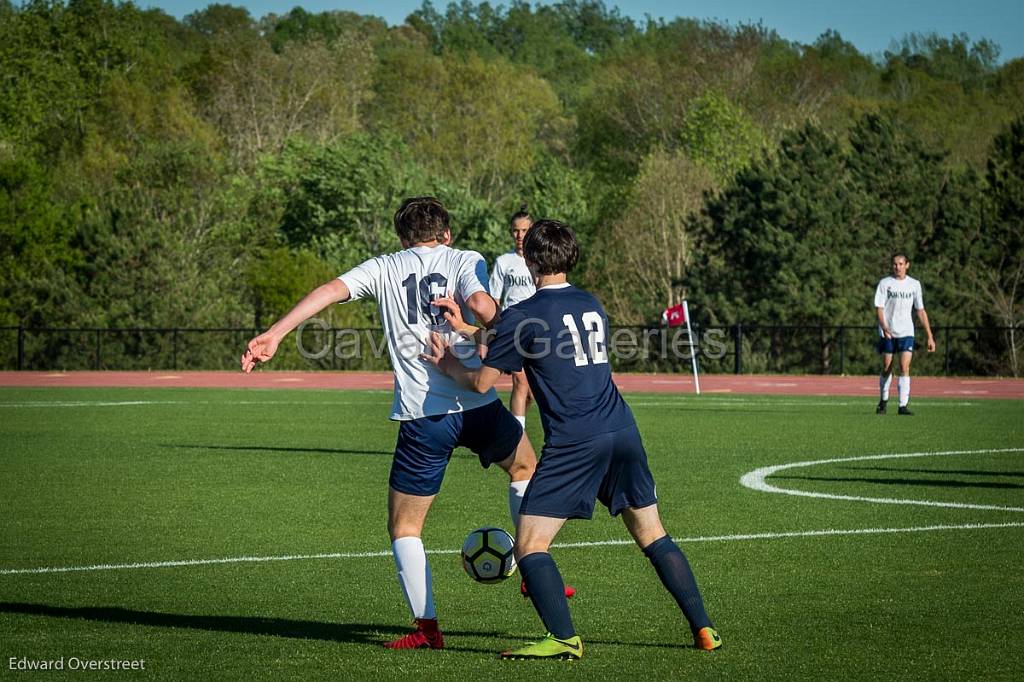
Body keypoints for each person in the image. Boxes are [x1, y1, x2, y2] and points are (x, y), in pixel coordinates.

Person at [240, 197, 537, 650]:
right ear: (447, 234)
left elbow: (328, 291)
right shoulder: (465, 258)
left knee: (405, 529)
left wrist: (275, 333)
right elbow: (480, 302)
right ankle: (532, 573)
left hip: (424, 416)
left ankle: (428, 631)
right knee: (524, 469)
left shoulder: (384, 267)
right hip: (477, 407)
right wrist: (497, 329)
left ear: (402, 238)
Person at [423, 219, 721, 660]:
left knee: (529, 545)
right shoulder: (591, 303)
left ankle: (563, 636)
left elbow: (484, 382)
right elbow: (538, 339)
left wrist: (448, 364)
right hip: (622, 429)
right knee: (653, 535)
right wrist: (470, 329)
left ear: (528, 260)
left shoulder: (523, 314)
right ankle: (705, 629)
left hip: (575, 440)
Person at [489, 206, 537, 431]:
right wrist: (494, 331)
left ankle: (510, 428)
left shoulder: (540, 261)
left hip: (538, 329)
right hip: (513, 328)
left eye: (525, 230)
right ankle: (516, 438)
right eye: (516, 231)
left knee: (532, 393)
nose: (520, 236)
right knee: (520, 382)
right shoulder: (503, 262)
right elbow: (494, 300)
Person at [874, 253, 936, 415]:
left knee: (904, 367)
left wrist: (929, 335)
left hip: (906, 331)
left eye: (901, 264)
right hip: (888, 331)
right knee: (887, 366)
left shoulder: (914, 284)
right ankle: (883, 400)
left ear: (907, 265)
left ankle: (902, 405)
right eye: (895, 264)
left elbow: (920, 310)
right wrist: (884, 327)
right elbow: (879, 308)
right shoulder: (885, 283)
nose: (898, 267)